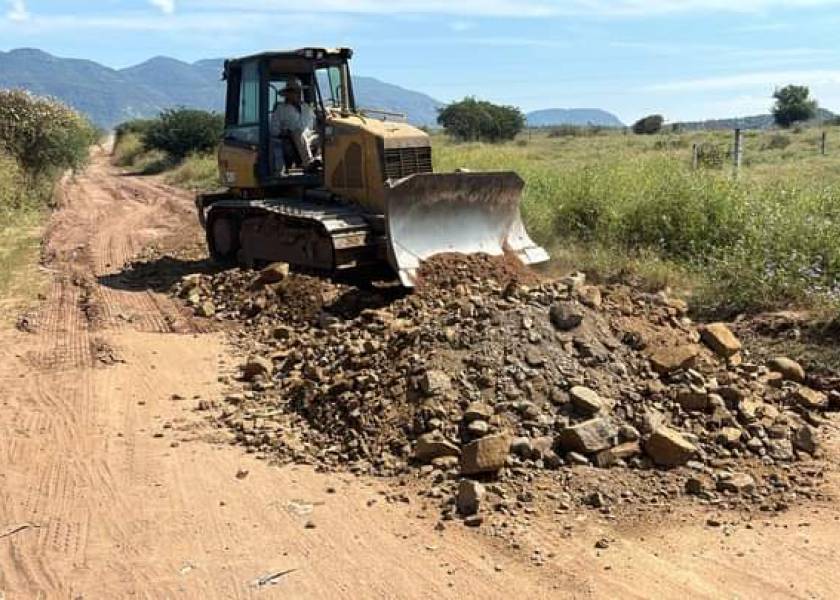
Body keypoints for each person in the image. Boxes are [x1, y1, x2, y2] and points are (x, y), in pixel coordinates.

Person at [270, 77, 319, 173]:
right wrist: (284, 132)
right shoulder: (281, 109)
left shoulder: (307, 107)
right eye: (294, 91)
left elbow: (315, 123)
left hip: (310, 135)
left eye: (298, 91)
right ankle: (308, 163)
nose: (297, 94)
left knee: (329, 133)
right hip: (292, 138)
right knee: (298, 132)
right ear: (288, 93)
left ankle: (320, 161)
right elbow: (273, 129)